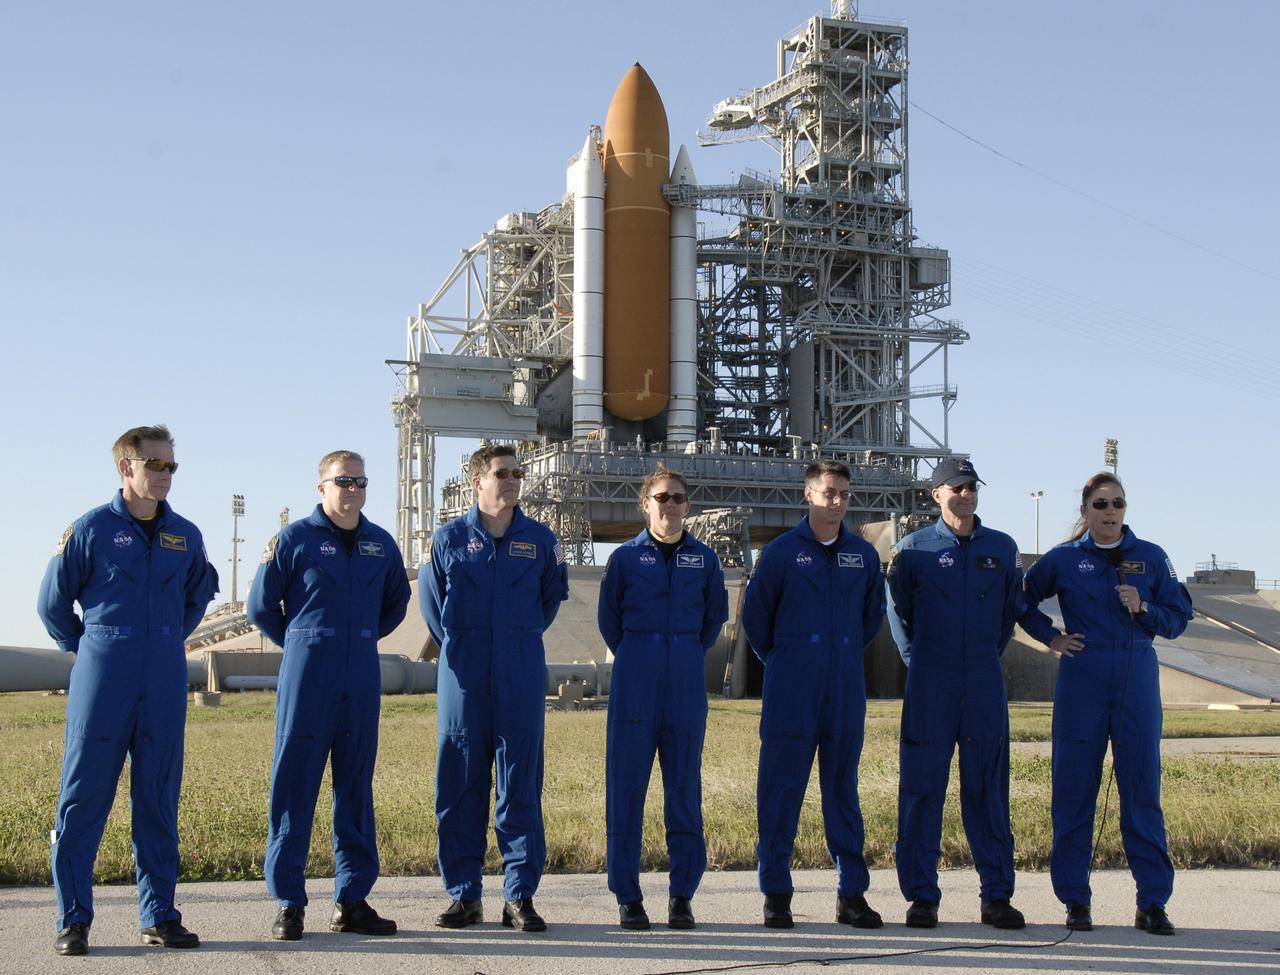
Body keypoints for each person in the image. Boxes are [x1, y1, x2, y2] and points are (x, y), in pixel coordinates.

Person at [37, 424, 218, 956]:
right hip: (103, 675)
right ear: (127, 468)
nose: (164, 475)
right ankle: (73, 920)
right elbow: (53, 605)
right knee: (83, 799)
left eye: (171, 467)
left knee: (158, 799)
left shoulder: (184, 535)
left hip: (162, 674)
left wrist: (162, 640)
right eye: (155, 465)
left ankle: (159, 914)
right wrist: (94, 646)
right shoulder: (90, 529)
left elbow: (196, 597)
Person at [246, 450, 410, 941]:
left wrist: (353, 638)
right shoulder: (294, 539)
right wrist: (303, 637)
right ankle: (289, 903)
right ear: (322, 488)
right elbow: (260, 606)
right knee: (294, 786)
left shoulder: (381, 543)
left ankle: (352, 900)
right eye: (343, 481)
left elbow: (396, 606)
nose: (353, 489)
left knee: (355, 788)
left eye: (360, 480)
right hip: (308, 673)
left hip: (359, 672)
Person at [1020, 472, 1193, 936]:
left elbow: (1179, 617)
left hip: (1136, 672)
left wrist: (1145, 609)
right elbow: (1020, 599)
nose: (1110, 511)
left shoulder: (1151, 557)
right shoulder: (1062, 559)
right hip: (1083, 676)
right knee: (1074, 791)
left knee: (1141, 791)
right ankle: (1075, 900)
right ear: (1085, 511)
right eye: (1100, 504)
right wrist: (1051, 637)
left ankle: (1152, 902)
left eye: (1117, 503)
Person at [421, 444, 569, 933]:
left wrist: (513, 642)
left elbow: (548, 603)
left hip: (520, 673)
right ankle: (464, 896)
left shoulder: (541, 541)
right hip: (463, 678)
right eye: (502, 473)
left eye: (517, 473)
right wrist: (466, 648)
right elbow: (432, 607)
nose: (512, 480)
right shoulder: (448, 540)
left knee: (520, 786)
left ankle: (519, 897)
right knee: (460, 787)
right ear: (476, 481)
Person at [741, 460, 886, 930]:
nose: (838, 501)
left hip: (843, 689)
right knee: (780, 793)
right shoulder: (781, 554)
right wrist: (788, 660)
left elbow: (870, 620)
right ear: (808, 495)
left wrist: (836, 655)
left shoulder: (862, 556)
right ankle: (777, 896)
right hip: (792, 690)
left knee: (843, 792)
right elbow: (757, 620)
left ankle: (851, 895)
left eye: (844, 493)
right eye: (829, 492)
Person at [885, 458, 1025, 930]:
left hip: (984, 681)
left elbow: (1008, 615)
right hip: (931, 681)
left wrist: (983, 656)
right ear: (936, 494)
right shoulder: (913, 550)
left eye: (971, 486)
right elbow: (898, 614)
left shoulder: (1002, 549)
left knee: (988, 788)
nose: (966, 493)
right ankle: (922, 896)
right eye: (956, 487)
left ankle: (996, 896)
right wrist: (921, 662)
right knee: (922, 789)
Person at [598, 466, 729, 931]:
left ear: (687, 506)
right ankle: (628, 898)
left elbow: (714, 620)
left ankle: (681, 897)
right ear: (645, 504)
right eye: (661, 497)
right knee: (626, 792)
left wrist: (683, 652)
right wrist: (641, 653)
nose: (669, 505)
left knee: (684, 793)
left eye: (677, 498)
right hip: (636, 682)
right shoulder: (624, 560)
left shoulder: (705, 560)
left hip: (686, 685)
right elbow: (609, 622)